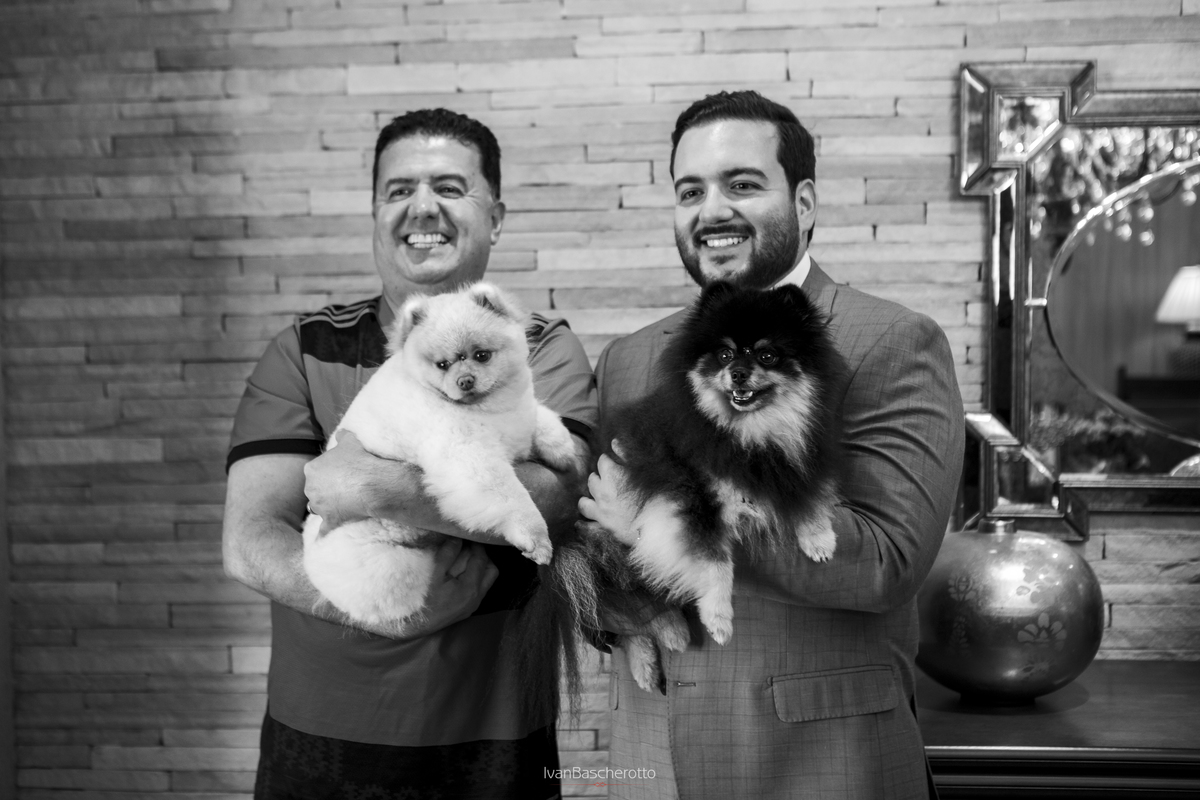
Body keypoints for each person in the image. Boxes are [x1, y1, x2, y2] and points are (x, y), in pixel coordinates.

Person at [578, 90, 965, 799]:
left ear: (804, 203)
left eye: (742, 184)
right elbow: (593, 544)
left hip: (818, 765)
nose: (712, 210)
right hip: (652, 762)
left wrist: (668, 523)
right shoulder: (628, 359)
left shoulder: (892, 341)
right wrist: (618, 609)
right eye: (690, 191)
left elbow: (887, 562)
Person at [222, 108, 596, 800]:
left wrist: (370, 488)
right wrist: (376, 609)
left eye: (450, 187)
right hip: (322, 736)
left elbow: (558, 499)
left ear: (495, 216)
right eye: (399, 191)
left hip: (497, 735)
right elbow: (249, 540)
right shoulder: (303, 350)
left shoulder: (541, 345)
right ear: (375, 213)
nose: (422, 207)